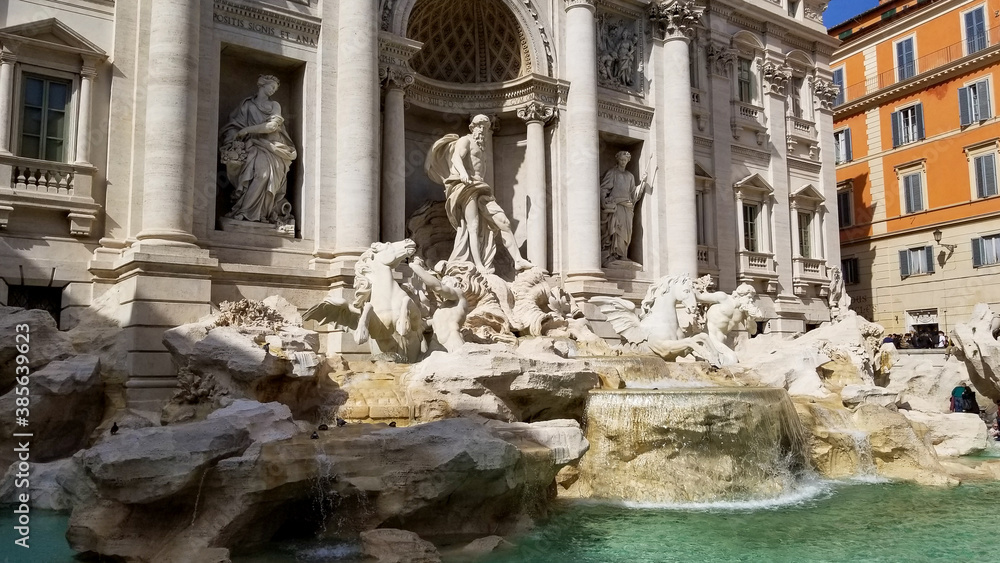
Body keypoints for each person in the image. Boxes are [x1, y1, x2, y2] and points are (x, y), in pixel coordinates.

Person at [425, 115, 533, 274]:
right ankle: (478, 265)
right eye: (479, 126)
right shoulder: (465, 140)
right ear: (472, 127)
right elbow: (456, 158)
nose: (482, 130)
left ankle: (517, 260)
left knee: (503, 221)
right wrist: (463, 173)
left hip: (481, 187)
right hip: (467, 187)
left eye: (485, 127)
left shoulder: (482, 150)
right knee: (473, 226)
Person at [220, 75, 298, 225]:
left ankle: (257, 213)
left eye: (275, 88)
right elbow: (235, 125)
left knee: (264, 175)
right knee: (259, 174)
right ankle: (244, 210)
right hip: (252, 146)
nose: (273, 90)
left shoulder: (275, 105)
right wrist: (233, 138)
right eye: (271, 86)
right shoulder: (247, 105)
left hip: (273, 147)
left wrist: (247, 130)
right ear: (262, 84)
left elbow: (272, 126)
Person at [600, 151, 651, 265]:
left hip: (628, 207)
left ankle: (623, 255)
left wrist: (642, 184)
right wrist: (604, 201)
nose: (623, 162)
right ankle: (613, 254)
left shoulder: (630, 176)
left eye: (625, 160)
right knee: (616, 230)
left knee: (626, 233)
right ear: (617, 160)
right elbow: (604, 188)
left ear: (628, 161)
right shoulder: (612, 173)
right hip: (617, 206)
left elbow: (633, 194)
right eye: (621, 160)